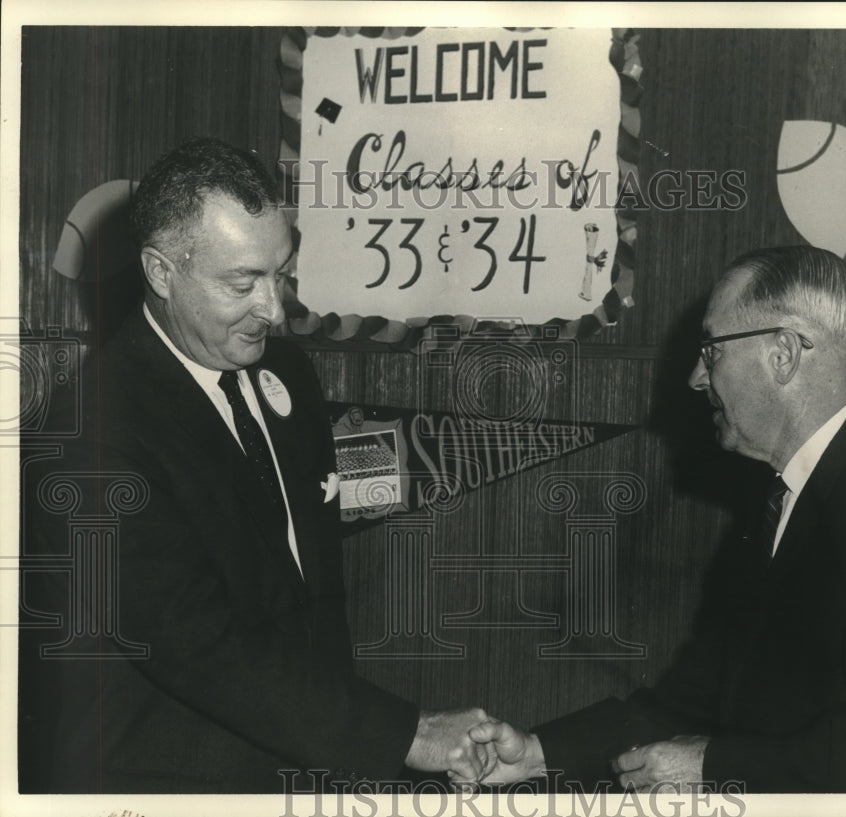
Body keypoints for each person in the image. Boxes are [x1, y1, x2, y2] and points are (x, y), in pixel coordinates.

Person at [18, 138, 495, 793]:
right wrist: (403, 734)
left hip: (299, 760)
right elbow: (198, 646)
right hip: (162, 782)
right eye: (243, 282)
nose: (274, 308)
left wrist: (343, 754)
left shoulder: (283, 370)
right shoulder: (89, 439)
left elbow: (309, 592)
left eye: (281, 274)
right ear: (160, 272)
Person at [469, 246, 846, 793]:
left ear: (782, 354)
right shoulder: (784, 499)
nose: (694, 377)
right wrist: (537, 754)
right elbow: (697, 700)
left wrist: (714, 766)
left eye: (710, 350)